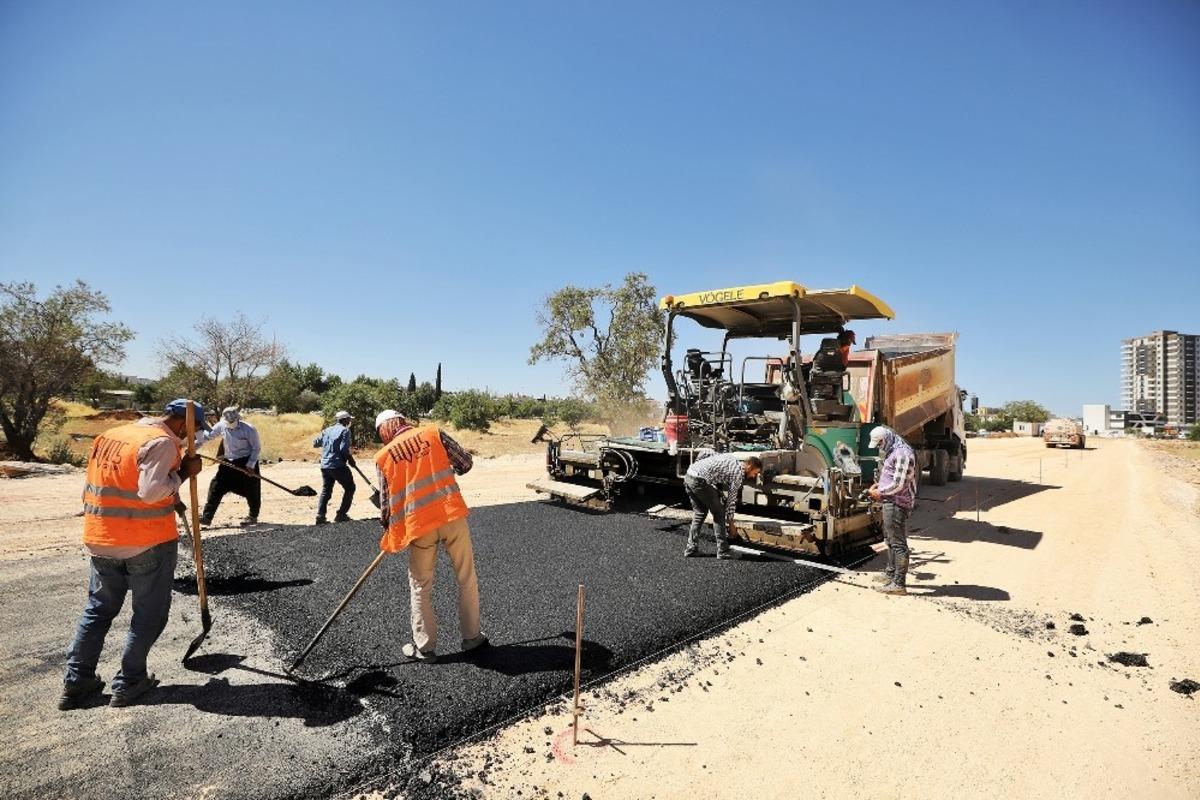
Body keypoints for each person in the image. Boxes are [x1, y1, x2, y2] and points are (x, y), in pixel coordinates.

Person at [60, 399, 208, 710]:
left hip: (101, 536)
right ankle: (129, 682)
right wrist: (183, 472)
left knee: (98, 611)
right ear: (183, 424)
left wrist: (175, 499)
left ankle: (76, 681)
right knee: (149, 615)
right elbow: (150, 491)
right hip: (146, 541)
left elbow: (116, 482)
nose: (189, 439)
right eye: (193, 431)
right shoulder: (163, 442)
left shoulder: (113, 435)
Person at [374, 409, 487, 663]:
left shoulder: (383, 457)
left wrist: (391, 531)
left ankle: (424, 648)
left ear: (384, 430)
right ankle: (472, 637)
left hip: (419, 526)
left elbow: (386, 508)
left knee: (420, 586)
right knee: (466, 577)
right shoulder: (433, 433)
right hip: (451, 515)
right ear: (402, 421)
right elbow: (465, 463)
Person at [867, 425, 918, 595]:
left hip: (897, 503)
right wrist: (879, 485)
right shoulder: (893, 449)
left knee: (898, 543)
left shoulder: (902, 453)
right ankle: (890, 573)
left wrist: (879, 492)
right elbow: (892, 476)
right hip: (890, 500)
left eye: (880, 443)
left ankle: (899, 583)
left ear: (886, 438)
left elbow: (899, 483)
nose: (880, 447)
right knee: (889, 539)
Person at [683, 453, 763, 559]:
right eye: (755, 472)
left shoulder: (731, 458)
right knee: (719, 513)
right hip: (699, 481)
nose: (754, 476)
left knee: (700, 513)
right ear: (749, 467)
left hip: (689, 475)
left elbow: (706, 453)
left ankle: (691, 549)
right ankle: (723, 550)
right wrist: (731, 524)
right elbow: (731, 501)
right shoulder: (737, 474)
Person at [196, 407, 262, 526]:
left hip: (246, 462)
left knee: (252, 490)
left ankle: (252, 516)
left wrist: (251, 464)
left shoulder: (249, 429)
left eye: (233, 422)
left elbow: (256, 448)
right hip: (228, 462)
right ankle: (207, 517)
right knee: (216, 486)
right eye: (228, 423)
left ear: (238, 419)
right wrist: (193, 448)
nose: (230, 425)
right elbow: (206, 437)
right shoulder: (220, 426)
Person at [312, 410, 356, 525]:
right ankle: (341, 514)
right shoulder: (345, 431)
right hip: (337, 465)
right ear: (345, 420)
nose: (350, 421)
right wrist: (350, 459)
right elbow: (343, 449)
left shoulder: (327, 430)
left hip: (325, 465)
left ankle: (320, 516)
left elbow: (315, 443)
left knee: (326, 490)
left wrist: (327, 441)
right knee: (350, 487)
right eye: (349, 419)